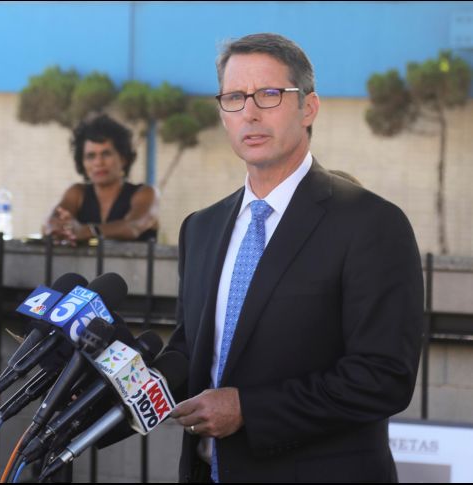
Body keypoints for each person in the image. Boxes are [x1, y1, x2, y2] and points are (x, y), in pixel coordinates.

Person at [167, 33, 424, 482]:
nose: (249, 112)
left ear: (309, 108)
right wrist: (119, 381)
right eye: (233, 97)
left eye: (269, 95)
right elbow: (191, 351)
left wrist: (248, 408)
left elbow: (384, 376)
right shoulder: (201, 228)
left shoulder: (370, 224)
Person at [44, 114, 159, 244]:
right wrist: (59, 227)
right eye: (90, 156)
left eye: (106, 154)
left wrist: (87, 231)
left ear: (123, 158)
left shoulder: (145, 193)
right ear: (82, 162)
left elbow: (132, 227)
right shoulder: (77, 193)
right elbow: (51, 223)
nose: (98, 162)